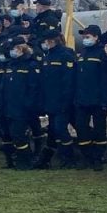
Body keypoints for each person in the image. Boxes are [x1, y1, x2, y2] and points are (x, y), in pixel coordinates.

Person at [0, 36, 40, 170]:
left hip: (21, 108)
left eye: (13, 49)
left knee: (19, 135)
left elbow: (33, 87)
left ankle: (25, 161)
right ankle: (10, 160)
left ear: (20, 49)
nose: (11, 51)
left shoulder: (30, 65)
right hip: (7, 106)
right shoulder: (10, 65)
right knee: (7, 134)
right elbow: (3, 86)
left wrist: (28, 105)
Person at [36, 28, 77, 168]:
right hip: (51, 101)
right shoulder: (48, 57)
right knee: (53, 129)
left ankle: (68, 158)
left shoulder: (66, 55)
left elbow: (68, 81)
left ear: (52, 41)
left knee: (60, 129)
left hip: (62, 101)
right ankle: (48, 158)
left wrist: (66, 101)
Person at [74, 25, 107, 171]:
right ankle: (87, 156)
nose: (85, 39)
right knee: (81, 128)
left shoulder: (102, 53)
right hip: (82, 99)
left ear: (96, 37)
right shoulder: (82, 53)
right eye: (84, 37)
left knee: (99, 130)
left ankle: (98, 158)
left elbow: (105, 78)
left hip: (97, 99)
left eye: (88, 37)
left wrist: (105, 100)